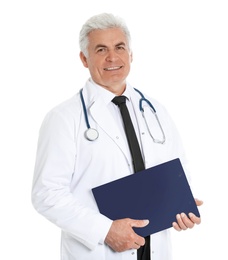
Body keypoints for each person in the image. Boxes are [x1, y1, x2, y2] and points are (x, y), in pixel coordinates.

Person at [31, 12, 203, 260]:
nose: (112, 57)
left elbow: (177, 169)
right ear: (84, 58)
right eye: (101, 50)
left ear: (131, 54)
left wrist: (180, 204)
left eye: (119, 47)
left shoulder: (155, 111)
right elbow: (46, 194)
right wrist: (105, 230)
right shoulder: (64, 118)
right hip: (100, 250)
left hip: (154, 248)